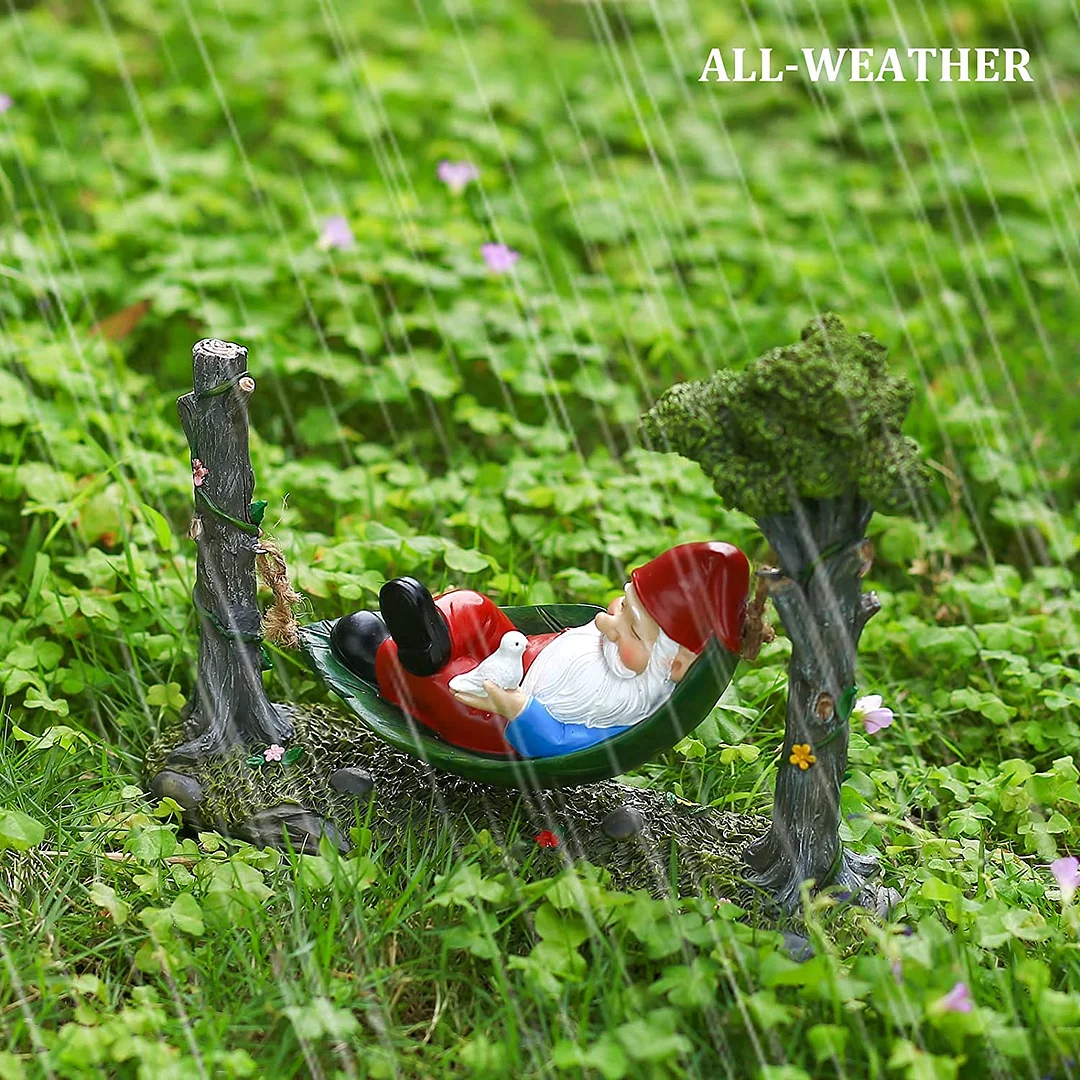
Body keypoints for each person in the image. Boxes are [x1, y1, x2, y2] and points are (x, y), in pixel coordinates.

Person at [330, 542, 750, 758]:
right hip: (526, 654)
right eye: (622, 606)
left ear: (674, 664)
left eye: (632, 631)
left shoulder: (625, 706)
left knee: (448, 680)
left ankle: (394, 657)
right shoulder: (611, 657)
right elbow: (588, 638)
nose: (608, 623)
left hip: (499, 719)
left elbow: (566, 742)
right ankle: (432, 629)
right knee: (472, 605)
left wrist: (519, 709)